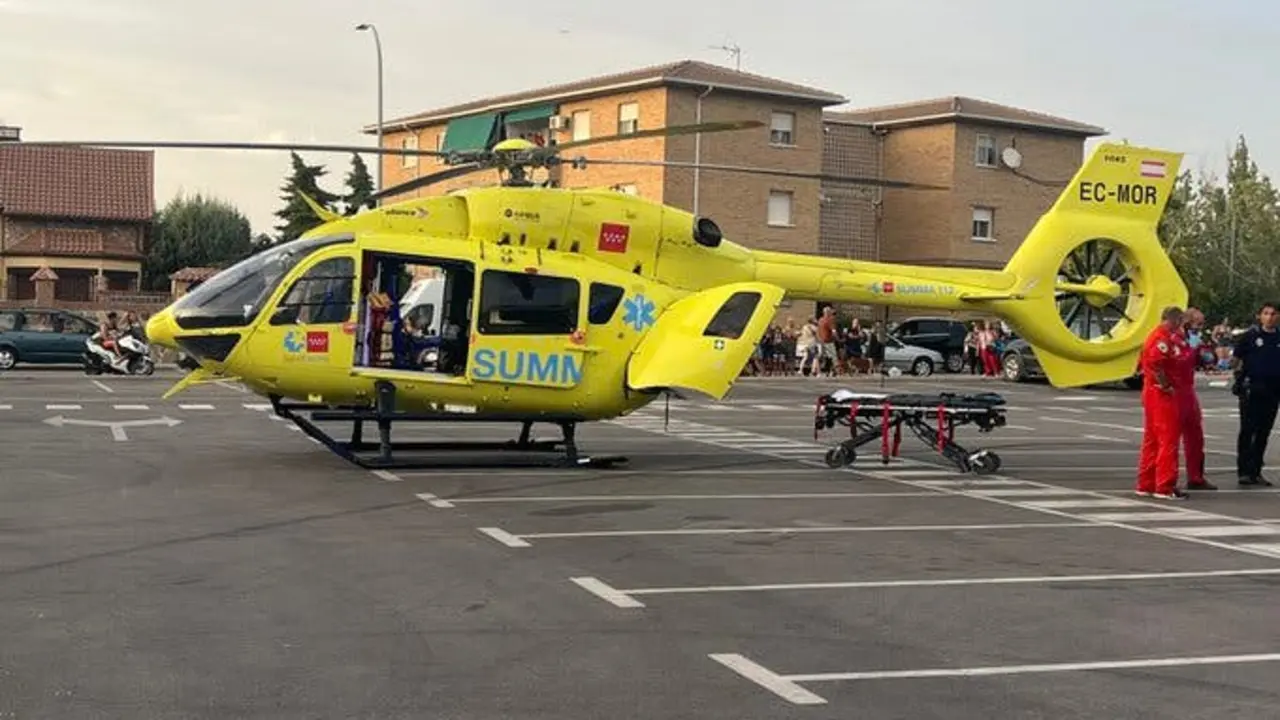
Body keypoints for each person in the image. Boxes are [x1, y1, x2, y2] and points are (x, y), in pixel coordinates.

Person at [1136, 306, 1188, 500]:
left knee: (1152, 439)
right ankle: (1165, 485)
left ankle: (1146, 483)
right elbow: (1156, 364)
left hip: (1151, 392)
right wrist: (1166, 385)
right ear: (1175, 320)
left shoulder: (1156, 336)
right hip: (1160, 394)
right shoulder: (1161, 338)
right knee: (1168, 439)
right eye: (1180, 321)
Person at [1232, 302, 1280, 487]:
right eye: (1266, 313)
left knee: (1263, 432)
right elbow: (1235, 360)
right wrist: (1239, 378)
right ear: (1259, 316)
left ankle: (1256, 470)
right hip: (1252, 388)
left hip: (1273, 389)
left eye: (1273, 314)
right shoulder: (1249, 337)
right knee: (1248, 430)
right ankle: (1244, 471)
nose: (1269, 317)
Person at [1176, 308, 1216, 490]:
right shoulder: (1175, 339)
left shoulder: (1195, 340)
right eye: (1197, 324)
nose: (1199, 328)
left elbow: (1206, 359)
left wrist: (1205, 356)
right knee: (1170, 437)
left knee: (1195, 436)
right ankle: (1166, 480)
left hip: (1188, 389)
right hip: (1175, 390)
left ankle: (1196, 476)